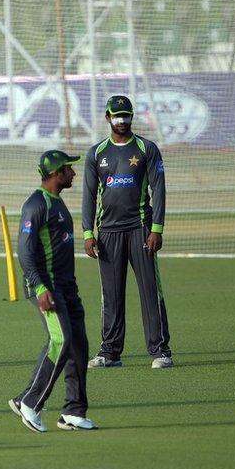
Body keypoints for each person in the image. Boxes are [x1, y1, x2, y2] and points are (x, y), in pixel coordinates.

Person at [81, 95, 171, 369]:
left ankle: (160, 350)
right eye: (116, 116)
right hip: (108, 232)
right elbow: (89, 195)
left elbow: (159, 188)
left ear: (132, 117)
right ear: (107, 117)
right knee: (111, 294)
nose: (122, 121)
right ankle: (110, 352)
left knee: (149, 289)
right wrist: (87, 233)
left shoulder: (146, 148)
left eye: (126, 116)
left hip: (140, 229)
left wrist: (156, 228)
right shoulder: (97, 153)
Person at [9, 150, 96, 432]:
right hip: (47, 287)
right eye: (69, 169)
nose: (73, 173)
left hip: (67, 287)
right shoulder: (36, 204)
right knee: (61, 340)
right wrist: (41, 287)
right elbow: (25, 252)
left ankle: (73, 410)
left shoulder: (57, 203)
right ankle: (31, 403)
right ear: (57, 173)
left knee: (79, 345)